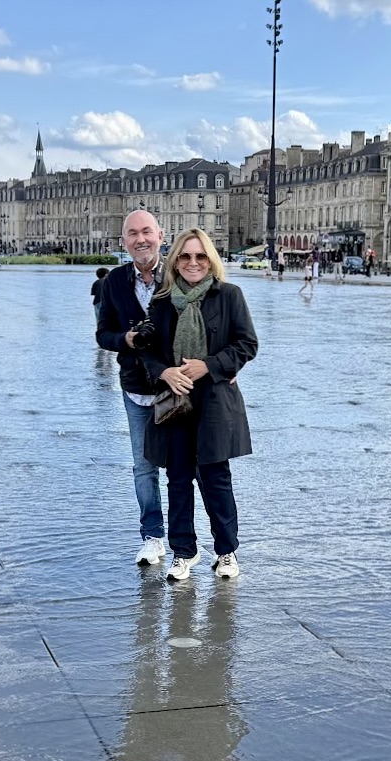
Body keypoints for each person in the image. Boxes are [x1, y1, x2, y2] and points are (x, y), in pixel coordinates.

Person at [140, 228, 258, 582]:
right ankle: (183, 552)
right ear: (175, 261)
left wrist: (210, 364)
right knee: (177, 479)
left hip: (215, 401)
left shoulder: (229, 296)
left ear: (211, 260)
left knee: (216, 477)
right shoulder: (161, 302)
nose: (193, 263)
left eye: (200, 256)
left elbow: (247, 344)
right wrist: (166, 373)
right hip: (175, 402)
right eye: (186, 256)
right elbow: (147, 354)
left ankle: (226, 552)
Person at [95, 210, 170, 566]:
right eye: (132, 234)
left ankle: (186, 542)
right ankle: (153, 537)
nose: (140, 239)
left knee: (186, 467)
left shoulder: (179, 273)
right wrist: (125, 338)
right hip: (136, 389)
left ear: (160, 235)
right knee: (144, 467)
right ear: (123, 241)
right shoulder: (113, 282)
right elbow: (102, 334)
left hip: (177, 386)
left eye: (146, 232)